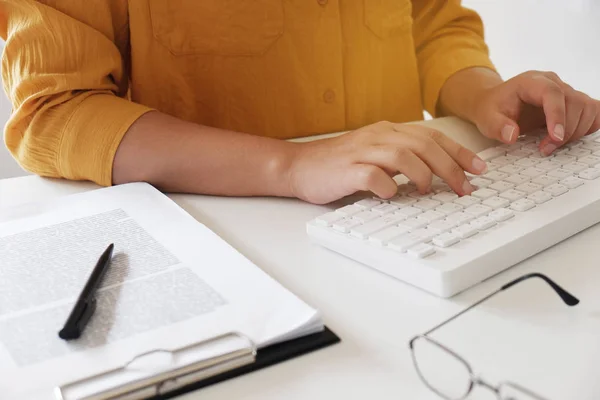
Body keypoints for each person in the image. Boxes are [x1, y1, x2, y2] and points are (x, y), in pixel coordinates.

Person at [1, 1, 599, 205]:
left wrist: (481, 93)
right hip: (226, 253)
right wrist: (290, 166)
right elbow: (57, 109)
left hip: (406, 208)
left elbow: (431, 21)